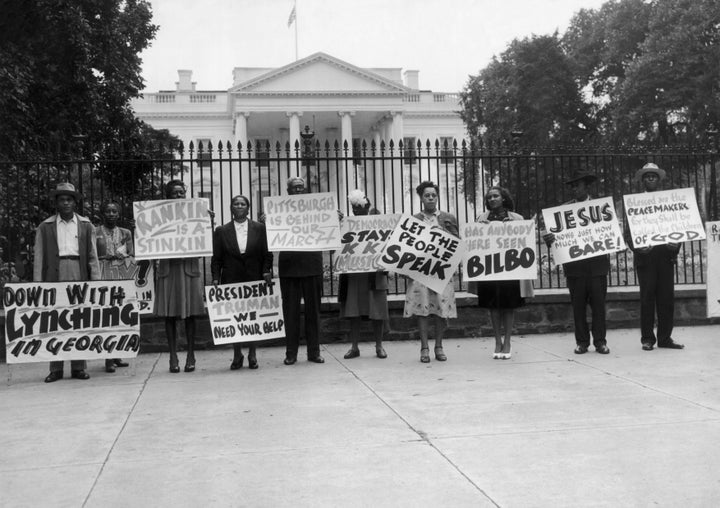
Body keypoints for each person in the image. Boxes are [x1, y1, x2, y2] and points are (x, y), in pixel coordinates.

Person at [34, 182, 100, 383]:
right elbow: (39, 257)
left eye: (69, 199)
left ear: (74, 202)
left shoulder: (86, 225)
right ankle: (56, 369)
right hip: (55, 272)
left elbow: (92, 256)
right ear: (56, 203)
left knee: (78, 319)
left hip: (77, 271)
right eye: (61, 199)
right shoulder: (45, 226)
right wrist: (38, 284)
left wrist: (96, 281)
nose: (65, 203)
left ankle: (78, 367)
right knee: (55, 320)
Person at [543, 171, 611, 355]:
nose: (574, 189)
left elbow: (610, 233)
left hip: (597, 266)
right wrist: (549, 239)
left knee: (598, 307)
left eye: (577, 185)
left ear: (587, 187)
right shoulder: (563, 212)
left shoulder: (601, 209)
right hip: (575, 268)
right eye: (572, 186)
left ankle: (600, 342)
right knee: (578, 307)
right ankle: (582, 342)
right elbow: (555, 239)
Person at [626, 162, 685, 351]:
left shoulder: (668, 202)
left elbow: (679, 226)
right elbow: (628, 233)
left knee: (666, 298)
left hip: (665, 257)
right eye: (647, 176)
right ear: (642, 180)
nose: (650, 178)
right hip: (646, 258)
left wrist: (676, 245)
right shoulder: (634, 204)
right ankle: (647, 339)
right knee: (647, 298)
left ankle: (665, 338)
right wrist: (637, 248)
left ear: (658, 180)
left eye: (654, 176)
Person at [211, 195, 273, 370]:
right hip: (231, 279)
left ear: (248, 208)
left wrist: (266, 270)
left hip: (254, 279)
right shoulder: (221, 231)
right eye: (236, 204)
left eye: (242, 204)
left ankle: (252, 353)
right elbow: (216, 258)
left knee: (253, 317)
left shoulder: (260, 228)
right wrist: (215, 278)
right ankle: (237, 354)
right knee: (235, 318)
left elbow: (267, 254)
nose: (239, 206)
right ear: (231, 208)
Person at [472, 186, 533, 360]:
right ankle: (497, 341)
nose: (492, 199)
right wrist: (480, 229)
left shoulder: (517, 218)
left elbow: (524, 241)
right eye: (489, 197)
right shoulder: (481, 219)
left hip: (510, 269)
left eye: (495, 196)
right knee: (493, 306)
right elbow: (474, 243)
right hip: (489, 269)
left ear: (503, 198)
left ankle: (507, 342)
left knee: (508, 306)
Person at [154, 180, 206, 373]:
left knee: (191, 314)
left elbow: (204, 245)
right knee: (169, 315)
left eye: (181, 193)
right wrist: (140, 228)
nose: (178, 196)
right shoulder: (158, 216)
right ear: (168, 196)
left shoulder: (195, 215)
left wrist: (207, 223)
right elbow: (148, 243)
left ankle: (191, 355)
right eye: (174, 193)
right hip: (169, 270)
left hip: (188, 269)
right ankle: (173, 356)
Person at [404, 181, 459, 363]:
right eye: (427, 195)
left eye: (433, 195)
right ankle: (424, 347)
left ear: (437, 197)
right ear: (421, 198)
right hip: (421, 272)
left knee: (440, 309)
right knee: (423, 309)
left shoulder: (448, 218)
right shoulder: (414, 220)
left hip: (441, 271)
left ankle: (439, 346)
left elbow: (457, 243)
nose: (430, 198)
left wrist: (447, 232)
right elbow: (407, 246)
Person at [277, 177, 325, 365]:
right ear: (288, 191)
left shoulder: (316, 209)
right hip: (290, 267)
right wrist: (267, 221)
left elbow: (328, 230)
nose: (298, 190)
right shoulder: (279, 209)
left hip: (312, 265)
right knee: (290, 312)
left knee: (314, 312)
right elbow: (271, 235)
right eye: (294, 188)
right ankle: (291, 352)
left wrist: (333, 217)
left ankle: (314, 352)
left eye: (300, 187)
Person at [339, 190, 389, 359]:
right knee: (354, 310)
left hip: (375, 273)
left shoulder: (379, 222)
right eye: (354, 208)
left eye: (360, 207)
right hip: (354, 275)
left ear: (367, 207)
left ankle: (379, 346)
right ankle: (354, 347)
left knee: (378, 311)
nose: (357, 211)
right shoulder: (346, 224)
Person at [96, 200, 133, 373]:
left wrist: (122, 254)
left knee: (119, 315)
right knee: (106, 315)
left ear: (119, 214)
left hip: (120, 275)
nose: (111, 214)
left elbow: (131, 253)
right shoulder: (95, 232)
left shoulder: (125, 233)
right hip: (102, 275)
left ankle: (117, 354)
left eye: (114, 211)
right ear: (103, 213)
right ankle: (108, 358)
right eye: (108, 211)